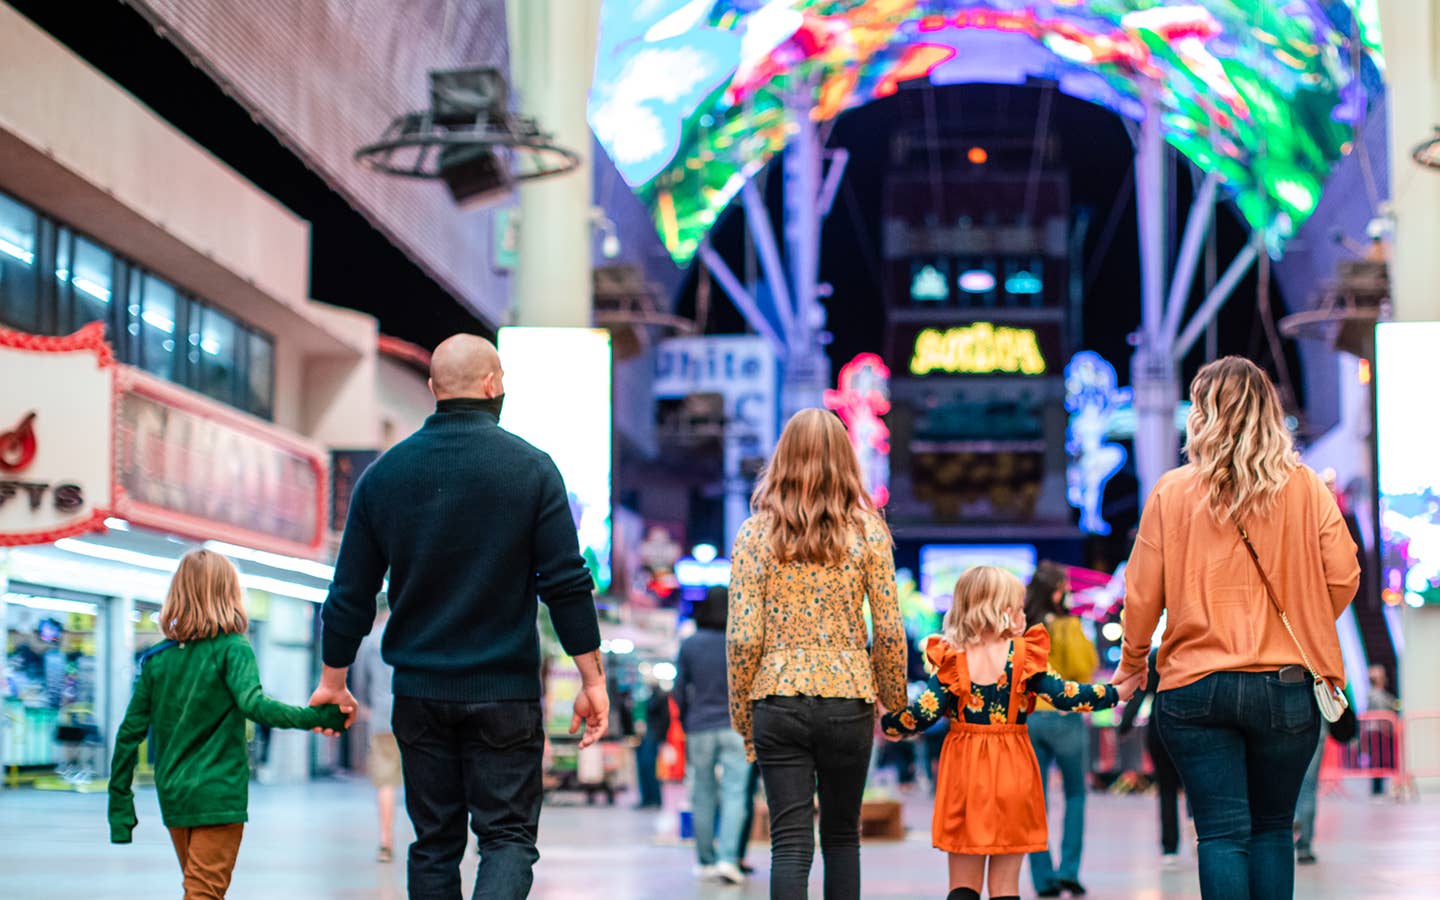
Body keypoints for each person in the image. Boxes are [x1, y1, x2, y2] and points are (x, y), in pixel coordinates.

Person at [311, 334, 609, 900]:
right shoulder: (533, 470)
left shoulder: (384, 476)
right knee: (507, 838)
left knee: (434, 844)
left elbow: (349, 592)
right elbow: (566, 585)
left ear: (432, 390)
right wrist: (591, 680)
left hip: (420, 694)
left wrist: (333, 682)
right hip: (505, 693)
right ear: (494, 386)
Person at [1114, 357, 1360, 900]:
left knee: (1221, 834)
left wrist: (1132, 666)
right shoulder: (1305, 489)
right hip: (1287, 687)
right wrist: (1303, 621)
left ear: (1201, 416)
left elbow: (1141, 595)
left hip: (1194, 685)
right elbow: (1344, 575)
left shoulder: (1171, 493)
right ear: (1268, 413)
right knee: (1274, 829)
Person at [728, 408, 909, 900]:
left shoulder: (753, 535)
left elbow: (743, 638)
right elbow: (890, 630)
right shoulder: (870, 533)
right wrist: (892, 701)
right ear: (846, 461)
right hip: (848, 697)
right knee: (842, 837)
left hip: (776, 696)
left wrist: (744, 715)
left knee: (788, 843)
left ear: (781, 459)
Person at [109, 550, 347, 899]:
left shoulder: (156, 659)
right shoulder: (233, 648)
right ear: (229, 594)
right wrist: (317, 717)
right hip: (218, 793)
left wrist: (120, 806)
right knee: (203, 893)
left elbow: (129, 733)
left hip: (174, 794)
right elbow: (255, 705)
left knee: (198, 889)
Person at [881, 566, 1119, 900]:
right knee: (1006, 888)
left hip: (963, 775)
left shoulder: (952, 659)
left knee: (962, 887)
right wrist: (1115, 692)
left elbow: (922, 714)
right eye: (1018, 606)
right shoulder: (1025, 656)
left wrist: (886, 720)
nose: (1024, 612)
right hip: (1013, 770)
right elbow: (1065, 694)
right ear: (1002, 611)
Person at [1022, 561, 1098, 897]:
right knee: (1075, 794)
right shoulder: (1067, 624)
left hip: (1031, 718)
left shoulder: (1023, 626)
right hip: (1066, 717)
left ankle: (1043, 878)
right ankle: (1068, 869)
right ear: (1057, 591)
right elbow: (1085, 666)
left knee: (1034, 800)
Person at [675, 586, 749, 885]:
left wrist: (686, 718)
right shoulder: (738, 643)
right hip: (735, 727)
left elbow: (679, 688)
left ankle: (705, 861)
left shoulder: (690, 644)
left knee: (702, 793)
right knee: (735, 793)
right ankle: (728, 859)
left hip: (700, 726)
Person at [1117, 648, 1183, 866]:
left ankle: (1169, 847)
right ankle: (1201, 834)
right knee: (1199, 784)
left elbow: (1140, 695)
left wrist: (1124, 726)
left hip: (1160, 725)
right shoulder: (1196, 652)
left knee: (1166, 789)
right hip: (1194, 724)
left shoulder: (1157, 656)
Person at [352, 599, 401, 863]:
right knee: (426, 782)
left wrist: (367, 708)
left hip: (381, 718)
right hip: (416, 713)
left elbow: (359, 682)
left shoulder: (370, 642)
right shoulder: (410, 631)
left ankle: (385, 842)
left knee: (385, 782)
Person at [634, 676, 669, 809]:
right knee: (643, 768)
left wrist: (661, 737)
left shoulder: (659, 696)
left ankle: (654, 799)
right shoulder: (645, 695)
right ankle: (647, 799)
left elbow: (666, 719)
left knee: (650, 768)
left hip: (652, 737)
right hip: (645, 736)